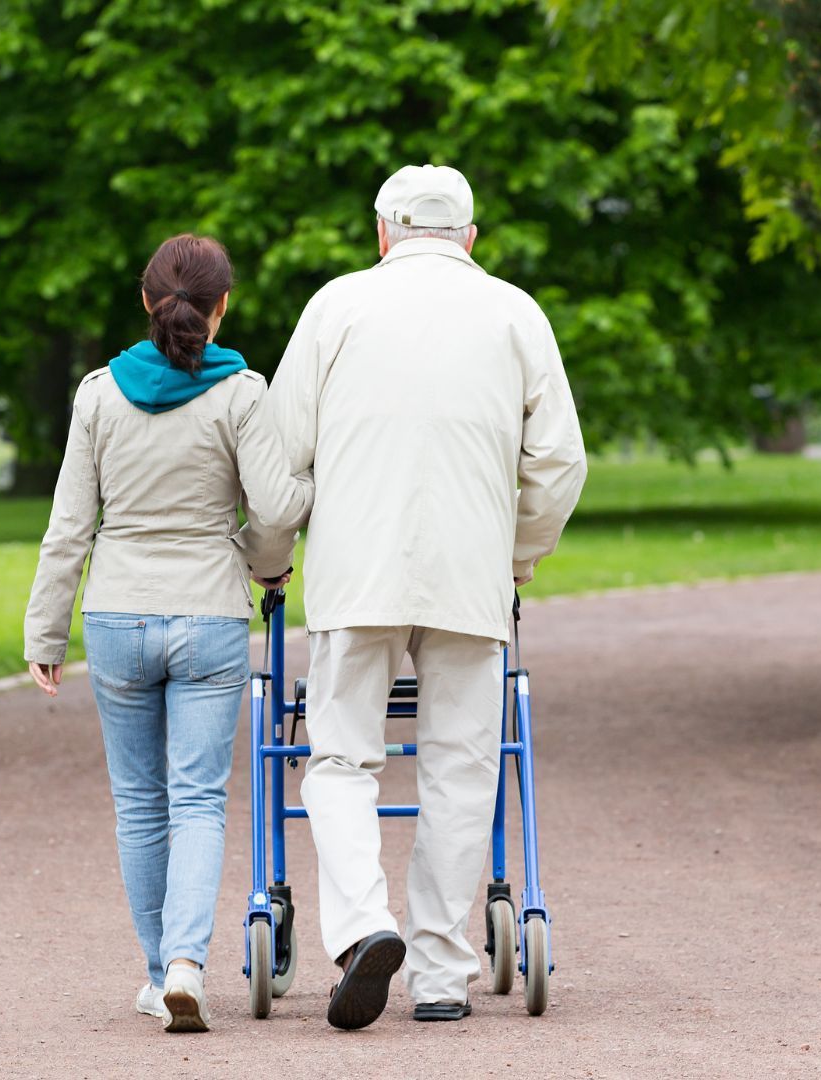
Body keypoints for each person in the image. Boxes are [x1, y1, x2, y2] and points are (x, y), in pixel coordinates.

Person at [261, 164, 586, 1030]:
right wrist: (516, 557)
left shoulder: (335, 306)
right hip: (468, 574)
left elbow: (281, 457)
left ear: (382, 234)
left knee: (338, 758)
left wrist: (268, 559)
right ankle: (442, 971)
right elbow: (558, 464)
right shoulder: (516, 312)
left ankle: (365, 925)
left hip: (354, 572)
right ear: (470, 239)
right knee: (460, 765)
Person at [23, 233, 313, 1033]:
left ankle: (159, 975)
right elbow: (278, 510)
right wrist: (262, 564)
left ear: (146, 301)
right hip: (209, 617)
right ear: (222, 307)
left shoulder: (97, 395)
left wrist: (45, 632)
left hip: (117, 616)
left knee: (139, 807)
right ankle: (187, 961)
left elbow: (69, 528)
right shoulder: (242, 394)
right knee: (197, 802)